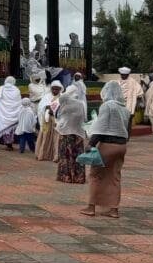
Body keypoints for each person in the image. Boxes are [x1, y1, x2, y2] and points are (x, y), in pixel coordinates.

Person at [81, 81, 130, 218]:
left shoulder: (107, 106)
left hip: (107, 145)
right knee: (115, 177)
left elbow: (101, 126)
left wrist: (91, 144)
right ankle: (114, 209)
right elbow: (128, 131)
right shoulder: (125, 109)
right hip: (121, 146)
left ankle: (91, 207)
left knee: (96, 175)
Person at [55, 86, 88, 184]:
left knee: (65, 156)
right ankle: (78, 177)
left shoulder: (65, 101)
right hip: (78, 133)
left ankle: (66, 176)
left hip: (65, 133)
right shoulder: (80, 104)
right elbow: (84, 118)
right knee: (77, 156)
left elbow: (61, 99)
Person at [0, 76, 23, 150]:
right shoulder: (16, 90)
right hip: (14, 113)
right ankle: (10, 144)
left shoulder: (1, 89)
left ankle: (8, 144)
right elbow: (18, 102)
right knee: (11, 128)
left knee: (5, 128)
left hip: (2, 113)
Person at [36, 81, 62, 162]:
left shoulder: (62, 97)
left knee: (56, 138)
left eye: (57, 89)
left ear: (60, 89)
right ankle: (43, 154)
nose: (55, 91)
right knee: (45, 136)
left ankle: (56, 156)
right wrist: (47, 108)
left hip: (56, 120)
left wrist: (55, 110)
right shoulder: (46, 96)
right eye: (53, 89)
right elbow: (40, 107)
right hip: (46, 121)